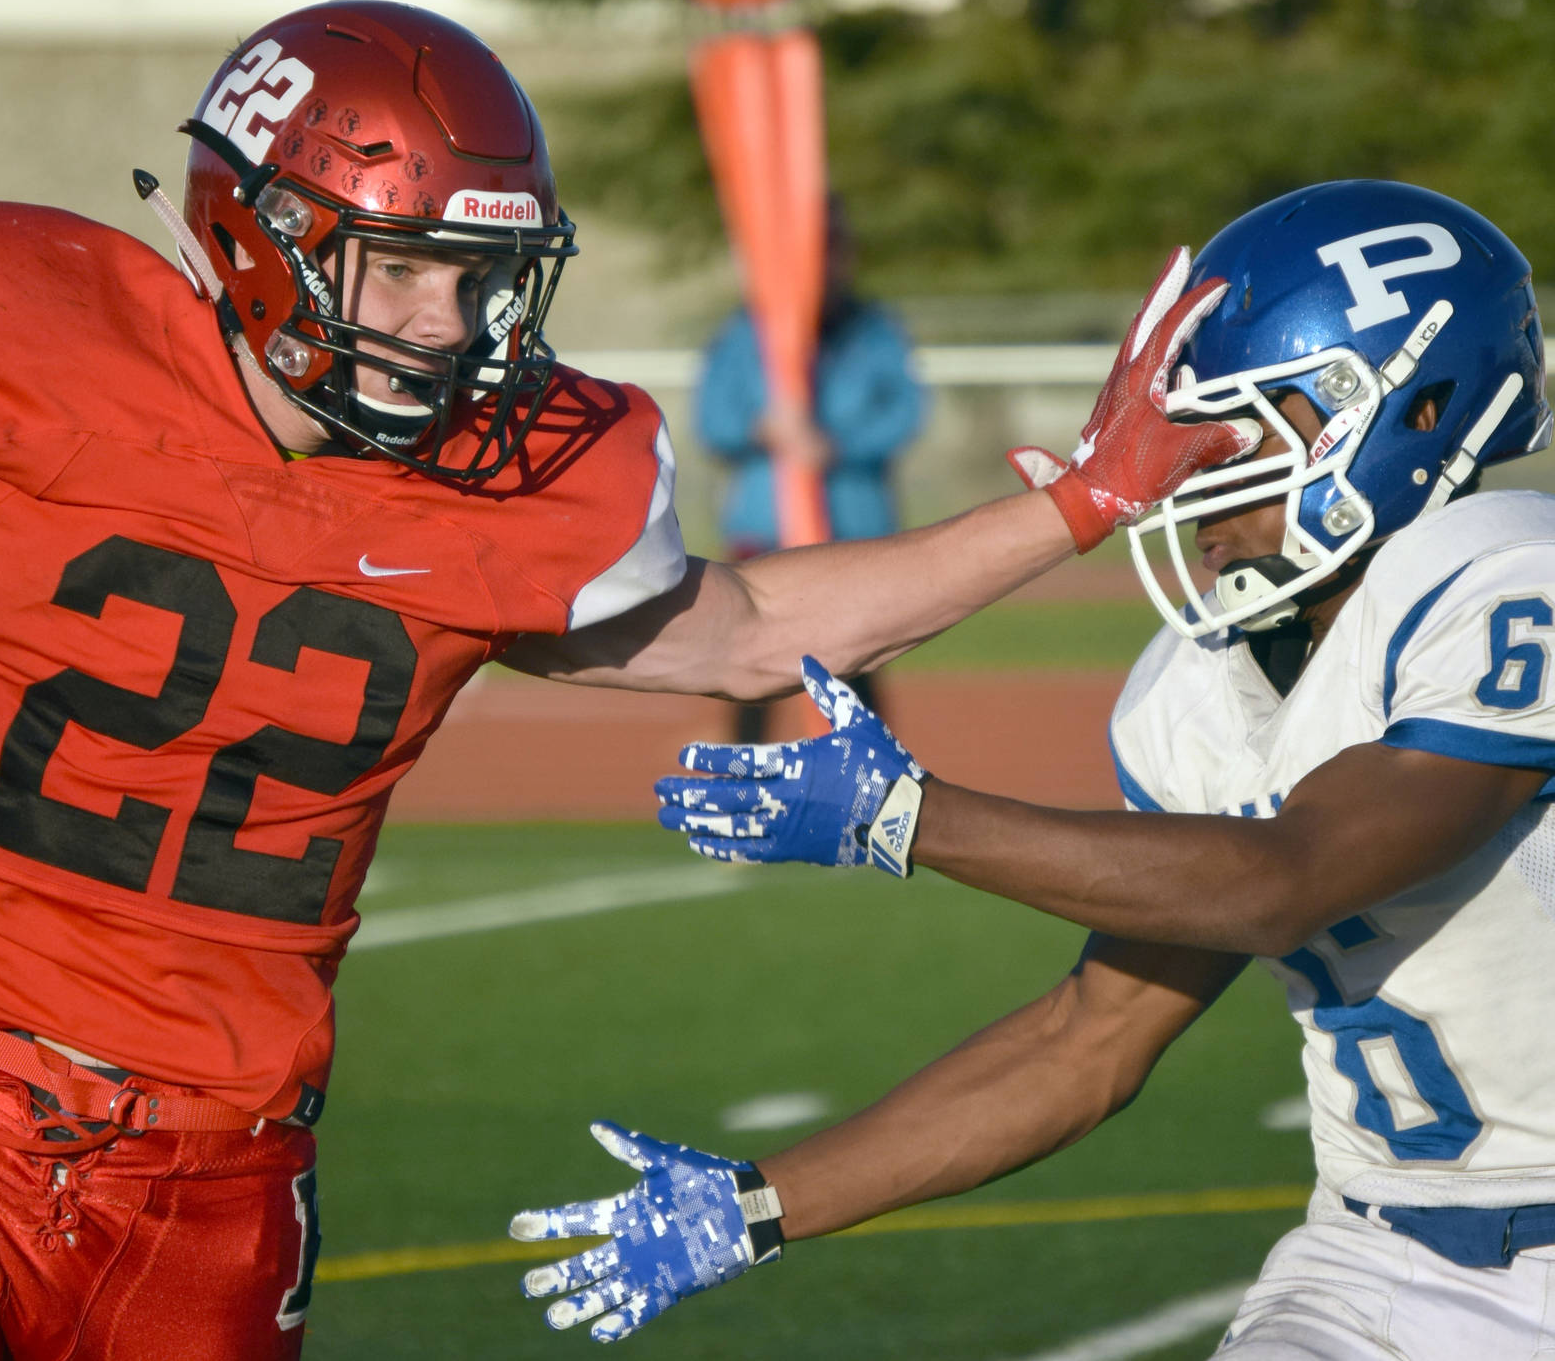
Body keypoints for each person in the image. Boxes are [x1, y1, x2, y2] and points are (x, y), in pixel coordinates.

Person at [0, 3, 1249, 1358]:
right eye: (405, 267)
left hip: (218, 1163)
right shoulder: (24, 337)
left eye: (475, 279)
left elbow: (748, 626)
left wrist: (1081, 503)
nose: (444, 324)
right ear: (260, 235)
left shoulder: (504, 481)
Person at [515, 179, 1555, 1359]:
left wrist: (908, 816)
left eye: (1233, 429)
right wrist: (756, 1205)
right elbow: (1085, 1039)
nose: (1184, 475)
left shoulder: (1503, 573)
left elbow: (1286, 878)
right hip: (1375, 1255)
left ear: (1411, 410)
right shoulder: (1198, 684)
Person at [694, 194, 924, 740]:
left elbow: (906, 411)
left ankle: (876, 792)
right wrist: (761, 428)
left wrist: (837, 444)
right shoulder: (745, 331)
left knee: (856, 667)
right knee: (753, 667)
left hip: (854, 524)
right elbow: (713, 417)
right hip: (766, 523)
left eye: (834, 249)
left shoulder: (873, 330)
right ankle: (743, 792)